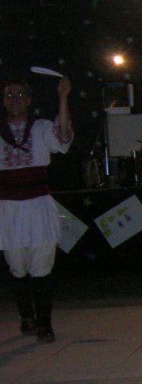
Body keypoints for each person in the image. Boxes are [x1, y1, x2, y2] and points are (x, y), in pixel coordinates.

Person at [0, 75, 73, 342]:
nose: (15, 100)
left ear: (29, 100)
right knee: (17, 267)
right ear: (3, 101)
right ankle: (25, 315)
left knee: (42, 266)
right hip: (8, 209)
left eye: (20, 95)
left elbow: (63, 139)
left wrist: (63, 98)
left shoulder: (41, 128)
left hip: (38, 206)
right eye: (9, 95)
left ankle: (45, 324)